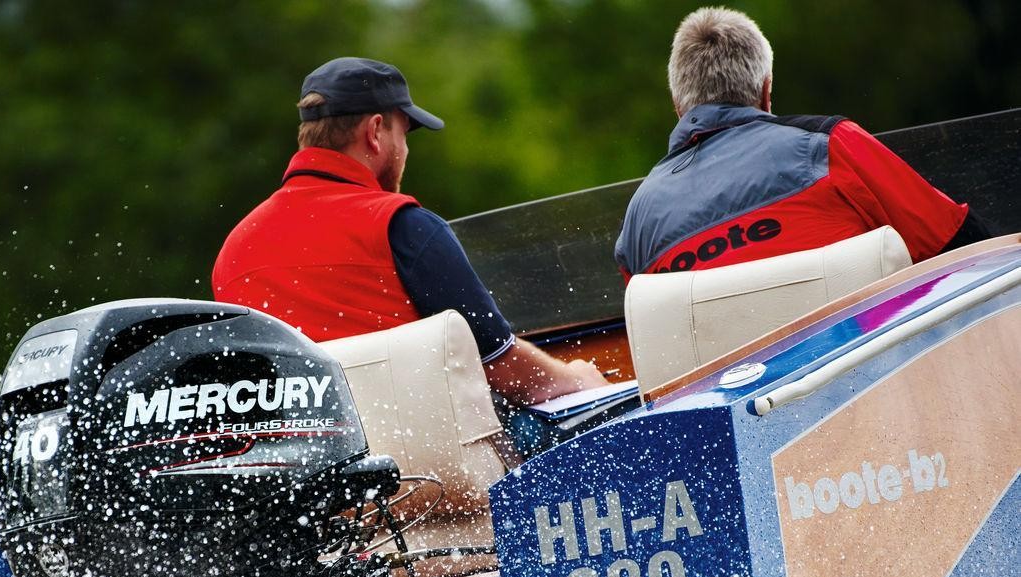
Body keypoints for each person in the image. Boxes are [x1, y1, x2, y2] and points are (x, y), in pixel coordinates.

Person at [214, 57, 606, 406]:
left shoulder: (232, 248)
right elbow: (506, 372)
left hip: (303, 470)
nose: (404, 150)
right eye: (404, 134)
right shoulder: (401, 225)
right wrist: (578, 378)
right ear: (375, 132)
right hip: (423, 473)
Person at [614, 7, 993, 281]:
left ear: (679, 107)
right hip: (864, 372)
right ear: (766, 91)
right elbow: (961, 245)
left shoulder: (637, 223)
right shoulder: (831, 144)